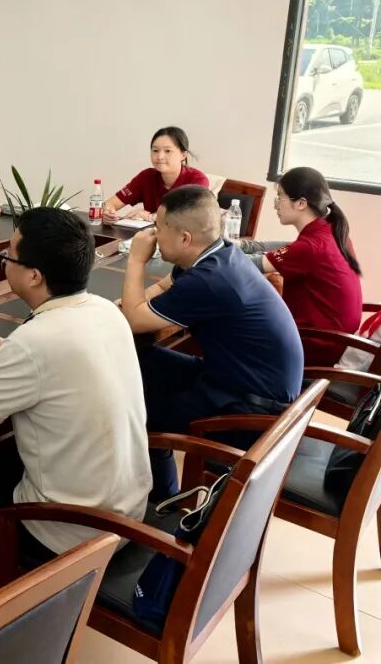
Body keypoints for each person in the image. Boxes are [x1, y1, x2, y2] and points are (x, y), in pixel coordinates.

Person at [0, 207, 151, 579]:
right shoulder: (105, 309)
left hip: (73, 532)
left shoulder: (34, 342)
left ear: (34, 275)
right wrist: (15, 354)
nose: (5, 261)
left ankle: (14, 596)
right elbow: (63, 357)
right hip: (128, 510)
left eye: (9, 256)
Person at [120, 185, 303, 499]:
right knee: (143, 359)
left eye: (158, 227)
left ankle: (162, 501)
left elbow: (135, 321)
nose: (153, 235)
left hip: (252, 408)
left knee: (141, 415)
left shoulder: (208, 281)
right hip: (240, 379)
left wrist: (136, 262)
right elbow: (161, 288)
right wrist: (127, 306)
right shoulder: (219, 254)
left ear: (184, 238)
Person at [237, 167, 362, 366]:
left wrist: (209, 252)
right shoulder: (330, 230)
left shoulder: (312, 247)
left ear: (301, 203)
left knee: (229, 323)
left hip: (314, 345)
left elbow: (249, 265)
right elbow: (284, 247)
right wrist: (240, 245)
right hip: (332, 339)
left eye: (280, 196)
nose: (275, 205)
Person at [102, 127, 209, 222]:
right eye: (155, 150)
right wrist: (107, 213)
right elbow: (109, 204)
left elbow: (190, 218)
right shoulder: (146, 177)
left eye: (167, 151)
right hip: (151, 235)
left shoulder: (197, 180)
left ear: (183, 155)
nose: (160, 156)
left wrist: (150, 217)